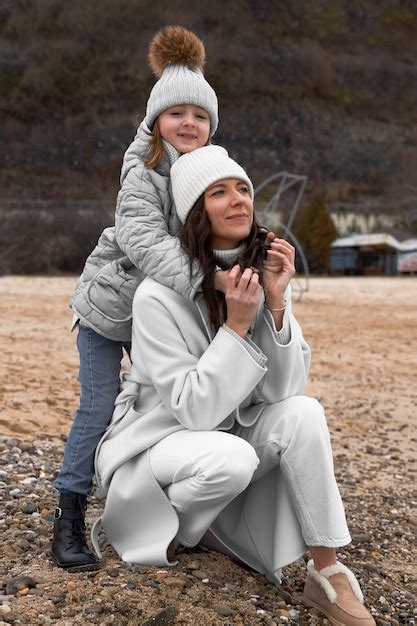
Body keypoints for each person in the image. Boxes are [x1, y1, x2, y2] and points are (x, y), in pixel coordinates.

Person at [93, 146, 376, 626]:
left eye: (242, 188)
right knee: (233, 459)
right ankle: (172, 527)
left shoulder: (256, 275)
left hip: (223, 434)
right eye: (219, 192)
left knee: (304, 413)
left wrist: (276, 303)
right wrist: (238, 328)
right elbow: (194, 412)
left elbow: (284, 389)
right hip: (156, 442)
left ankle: (326, 570)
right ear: (195, 212)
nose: (238, 200)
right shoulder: (156, 295)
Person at [51, 26, 223, 571]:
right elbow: (143, 239)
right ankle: (70, 509)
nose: (188, 123)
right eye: (177, 114)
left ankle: (158, 501)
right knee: (99, 404)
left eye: (200, 115)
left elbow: (227, 229)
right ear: (156, 122)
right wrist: (205, 281)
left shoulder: (211, 170)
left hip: (163, 315)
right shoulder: (142, 169)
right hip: (110, 308)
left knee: (172, 405)